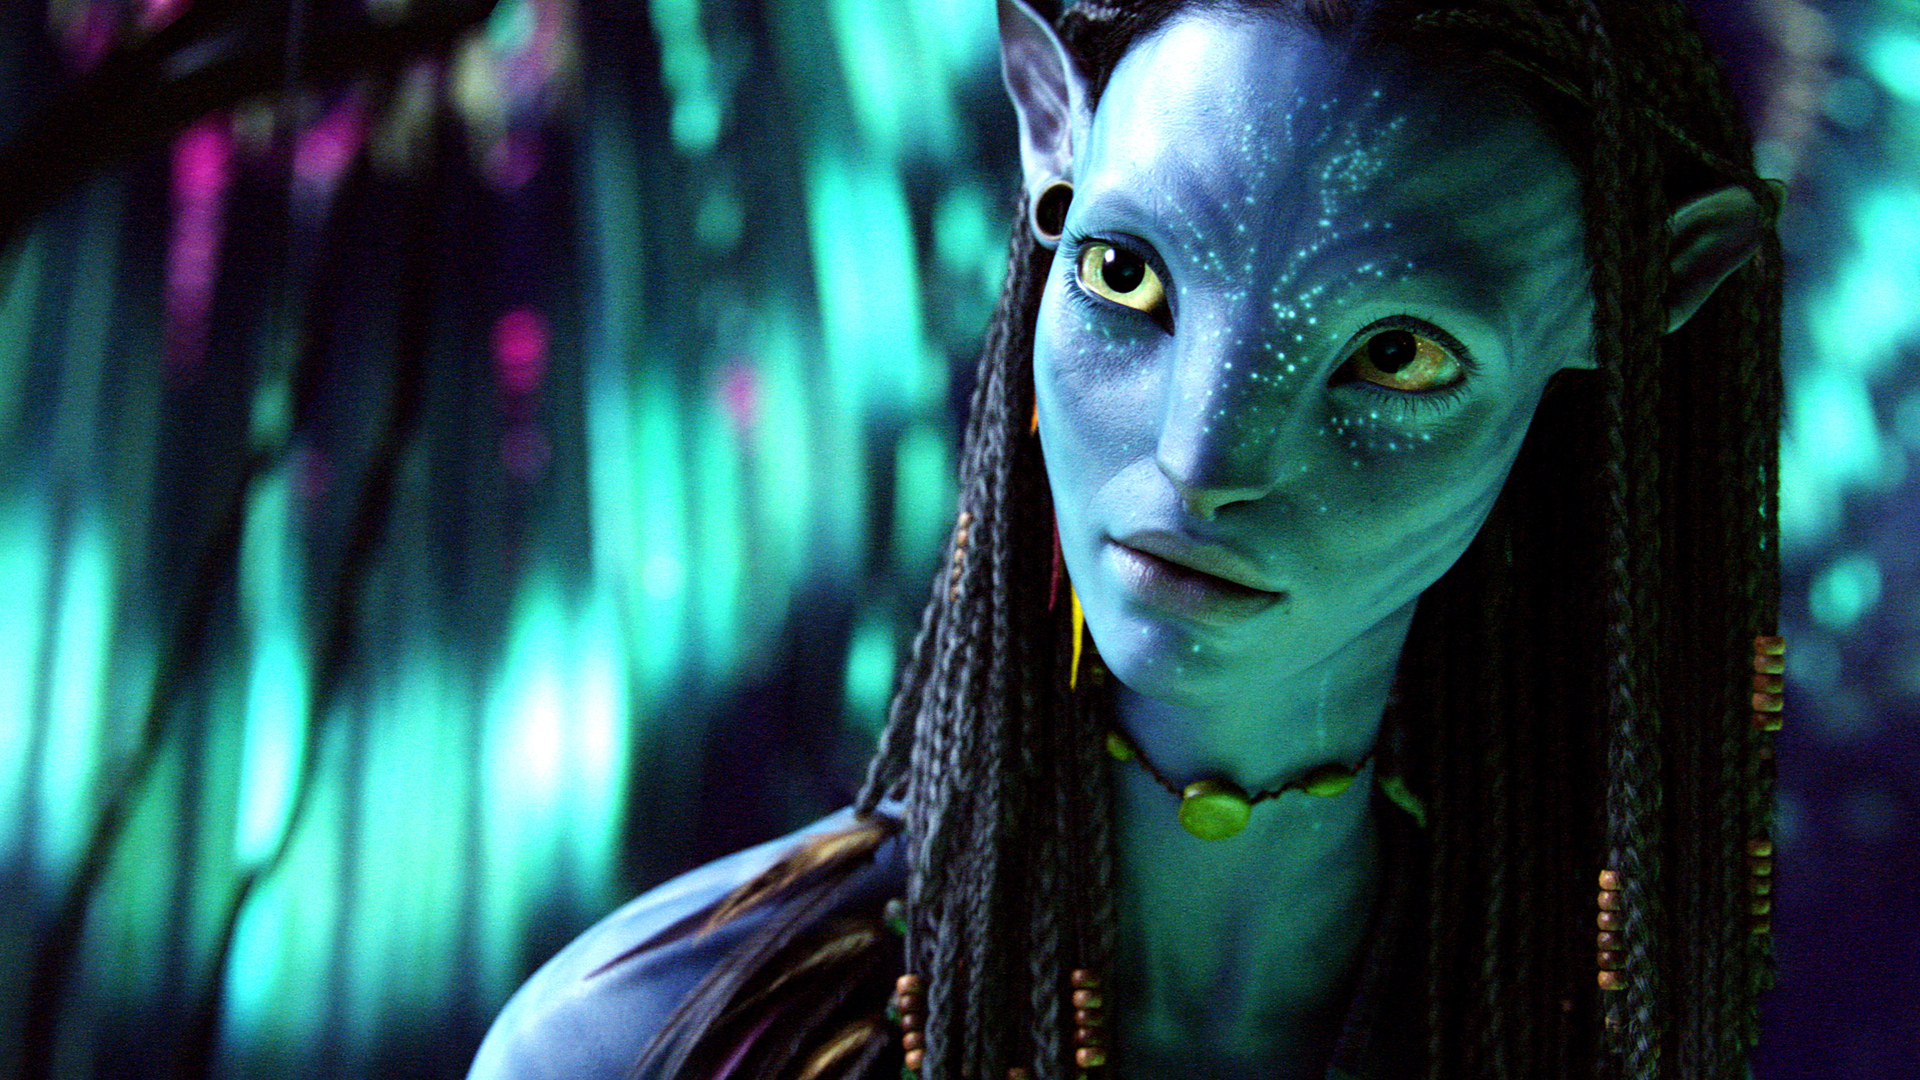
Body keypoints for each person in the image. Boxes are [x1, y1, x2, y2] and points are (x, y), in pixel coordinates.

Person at [467, 0, 1784, 1077]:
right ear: (1051, 133)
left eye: (1395, 355)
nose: (1203, 461)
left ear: (1639, 296)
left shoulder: (1598, 1035)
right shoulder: (643, 1049)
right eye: (1126, 276)